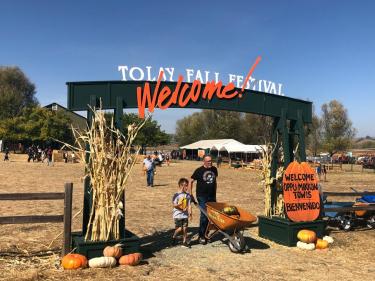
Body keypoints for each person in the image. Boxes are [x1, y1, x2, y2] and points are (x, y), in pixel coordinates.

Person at [189, 155, 218, 244]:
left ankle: (207, 234)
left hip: (212, 196)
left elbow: (214, 181)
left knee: (212, 217)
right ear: (204, 161)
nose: (210, 162)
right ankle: (201, 236)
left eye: (211, 161)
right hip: (202, 196)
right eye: (208, 161)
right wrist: (190, 194)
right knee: (204, 216)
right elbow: (190, 181)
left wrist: (215, 192)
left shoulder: (214, 169)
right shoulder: (199, 170)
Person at [172, 178, 192, 248]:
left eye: (186, 185)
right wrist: (181, 208)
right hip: (177, 215)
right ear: (180, 186)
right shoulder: (176, 195)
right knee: (180, 228)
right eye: (183, 185)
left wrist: (190, 213)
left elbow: (189, 205)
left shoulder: (188, 195)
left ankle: (184, 242)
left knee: (185, 228)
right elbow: (174, 205)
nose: (185, 187)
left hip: (185, 215)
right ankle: (174, 236)